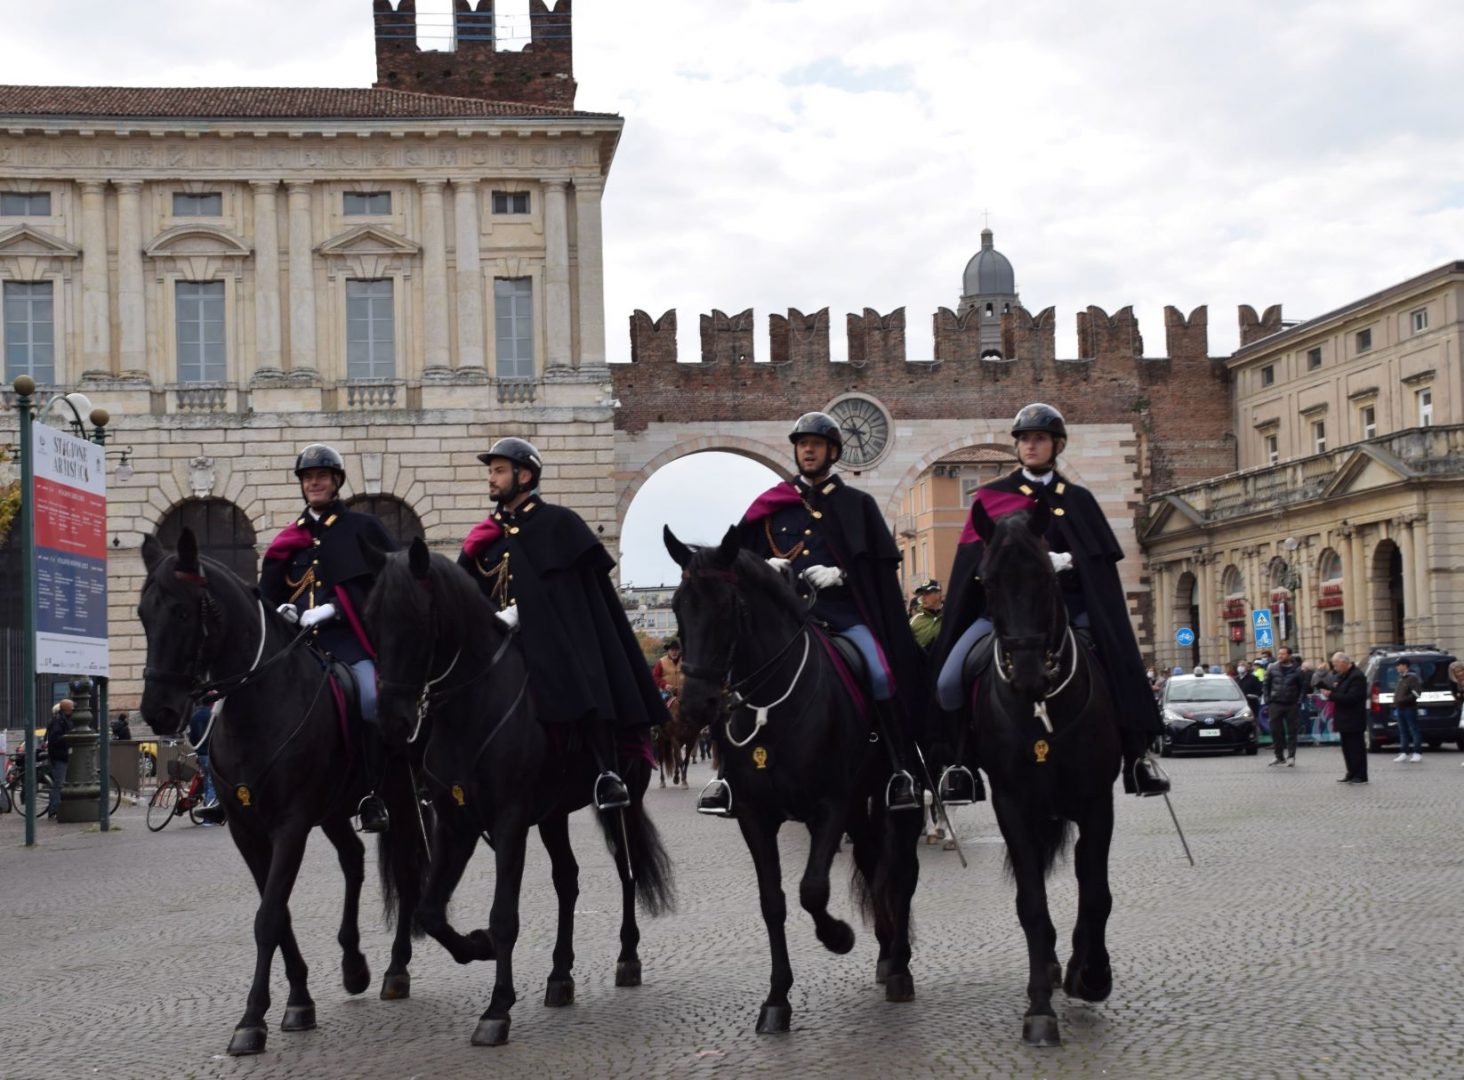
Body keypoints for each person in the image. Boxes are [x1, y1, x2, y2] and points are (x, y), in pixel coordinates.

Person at [698, 411, 933, 816]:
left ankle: (900, 769)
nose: (808, 450)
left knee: (881, 673)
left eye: (817, 444)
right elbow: (740, 560)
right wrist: (764, 566)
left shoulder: (857, 504)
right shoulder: (771, 505)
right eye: (803, 444)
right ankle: (727, 778)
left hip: (842, 614)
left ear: (833, 452)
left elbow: (878, 566)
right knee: (735, 678)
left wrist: (843, 573)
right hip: (784, 619)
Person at [933, 403, 1170, 797]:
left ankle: (1136, 758)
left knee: (1118, 665)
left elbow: (1099, 567)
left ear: (1056, 444)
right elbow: (970, 566)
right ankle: (961, 763)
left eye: (1039, 438)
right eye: (1025, 439)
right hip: (1002, 617)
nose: (1030, 445)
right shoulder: (991, 498)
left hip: (1070, 613)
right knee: (947, 680)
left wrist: (1072, 560)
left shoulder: (1077, 500)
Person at [459, 437, 667, 811]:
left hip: (552, 641)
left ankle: (606, 772)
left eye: (499, 470)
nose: (491, 478)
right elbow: (469, 590)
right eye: (490, 471)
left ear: (524, 475)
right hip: (496, 645)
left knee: (578, 677)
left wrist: (522, 612)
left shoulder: (558, 523)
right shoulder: (484, 538)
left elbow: (571, 594)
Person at [260, 443, 397, 833]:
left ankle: (374, 793)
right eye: (307, 478)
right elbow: (268, 592)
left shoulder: (363, 529)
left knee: (370, 699)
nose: (314, 483)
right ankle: (241, 788)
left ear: (336, 481)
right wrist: (279, 611)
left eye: (321, 477)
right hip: (297, 646)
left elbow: (385, 583)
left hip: (349, 642)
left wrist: (335, 607)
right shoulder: (289, 538)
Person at [1321, 652, 1368, 783]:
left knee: (1356, 749)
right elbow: (1338, 691)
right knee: (1347, 749)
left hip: (1354, 719)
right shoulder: (1342, 676)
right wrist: (1329, 691)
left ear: (1344, 662)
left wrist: (1331, 695)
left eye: (1336, 664)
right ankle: (1351, 772)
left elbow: (1352, 697)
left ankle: (1360, 775)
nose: (1335, 667)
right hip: (1343, 718)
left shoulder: (1357, 676)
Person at [1262, 644, 1304, 767]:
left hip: (1291, 704)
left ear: (1289, 655)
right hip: (1275, 704)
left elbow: (1303, 687)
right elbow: (1266, 684)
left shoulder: (1297, 670)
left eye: (1283, 654)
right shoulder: (1272, 667)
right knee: (1276, 731)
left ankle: (1291, 756)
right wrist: (1268, 699)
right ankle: (1279, 756)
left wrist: (1299, 701)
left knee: (1292, 731)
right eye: (1279, 654)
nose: (1280, 656)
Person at [188, 703, 224, 825]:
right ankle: (209, 818)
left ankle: (206, 812)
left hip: (200, 753)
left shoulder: (195, 715)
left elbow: (191, 736)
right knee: (213, 784)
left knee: (207, 782)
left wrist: (197, 749)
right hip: (211, 752)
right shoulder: (213, 715)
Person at [44, 699, 74, 820]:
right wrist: (68, 738)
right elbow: (54, 739)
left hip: (61, 755)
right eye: (71, 708)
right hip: (59, 756)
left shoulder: (63, 719)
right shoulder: (59, 721)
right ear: (66, 709)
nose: (73, 711)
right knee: (59, 783)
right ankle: (54, 809)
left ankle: (56, 807)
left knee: (60, 783)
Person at [1389, 659, 1423, 764]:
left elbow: (1417, 693)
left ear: (1405, 665)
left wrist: (1403, 700)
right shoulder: (1401, 678)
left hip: (1409, 708)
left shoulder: (1412, 678)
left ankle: (1417, 753)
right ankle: (1404, 752)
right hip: (1400, 708)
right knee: (1403, 731)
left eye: (1398, 665)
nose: (1397, 668)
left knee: (1414, 730)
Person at [909, 579, 943, 651]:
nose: (923, 598)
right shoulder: (914, 621)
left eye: (927, 593)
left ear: (939, 594)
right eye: (922, 594)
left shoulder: (950, 616)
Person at [652, 640, 684, 705]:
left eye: (676, 650)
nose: (674, 652)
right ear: (668, 651)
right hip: (667, 693)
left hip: (683, 693)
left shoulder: (685, 661)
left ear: (679, 651)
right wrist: (664, 685)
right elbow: (655, 677)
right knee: (674, 705)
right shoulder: (661, 662)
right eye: (672, 650)